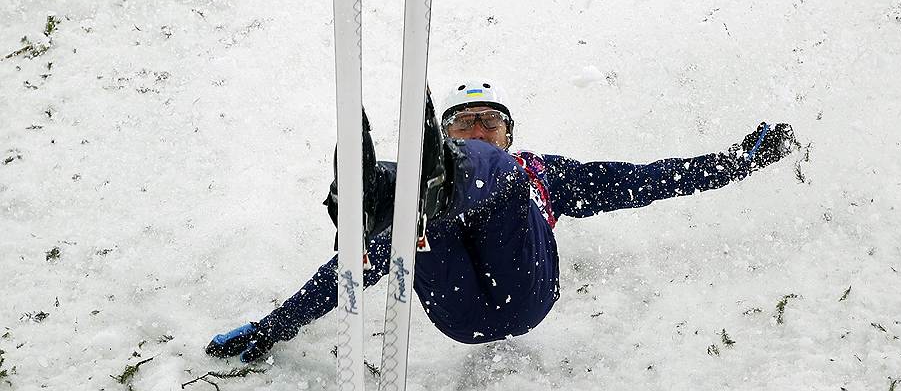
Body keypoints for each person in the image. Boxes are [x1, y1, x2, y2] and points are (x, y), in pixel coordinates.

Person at [205, 79, 798, 362]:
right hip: (458, 313)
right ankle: (376, 187)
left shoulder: (538, 171)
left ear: (508, 133)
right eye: (464, 123)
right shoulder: (422, 207)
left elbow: (643, 181)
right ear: (445, 134)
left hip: (526, 291)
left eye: (490, 122)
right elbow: (344, 272)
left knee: (506, 179)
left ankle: (402, 182)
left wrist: (739, 162)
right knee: (402, 231)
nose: (478, 127)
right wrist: (270, 329)